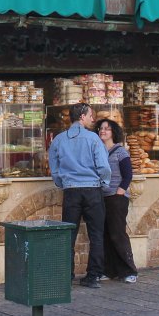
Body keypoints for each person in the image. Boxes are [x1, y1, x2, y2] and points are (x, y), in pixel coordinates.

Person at [48, 102, 111, 288]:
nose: (93, 119)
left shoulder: (59, 140)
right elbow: (104, 167)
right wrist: (104, 183)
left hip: (71, 191)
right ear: (82, 116)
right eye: (91, 115)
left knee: (68, 235)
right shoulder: (92, 139)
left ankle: (67, 275)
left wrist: (63, 183)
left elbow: (55, 168)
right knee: (96, 234)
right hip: (92, 190)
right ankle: (93, 276)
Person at [96, 118, 139, 283]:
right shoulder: (98, 151)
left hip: (116, 197)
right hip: (102, 197)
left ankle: (129, 270)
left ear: (113, 132)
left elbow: (128, 174)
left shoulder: (120, 152)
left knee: (117, 234)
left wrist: (119, 192)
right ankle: (109, 270)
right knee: (105, 234)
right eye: (100, 128)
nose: (103, 131)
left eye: (106, 129)